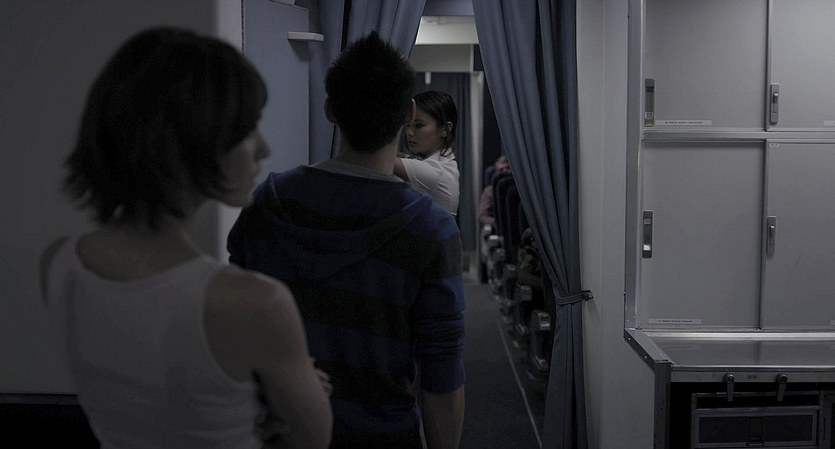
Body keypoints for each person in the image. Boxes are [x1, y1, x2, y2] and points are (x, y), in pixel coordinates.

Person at [39, 26, 332, 449]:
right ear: (196, 138)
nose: (264, 149)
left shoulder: (57, 263)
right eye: (247, 129)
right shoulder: (254, 302)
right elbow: (313, 440)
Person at [228, 32, 466, 449]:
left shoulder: (270, 202)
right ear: (408, 113)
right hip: (385, 436)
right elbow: (440, 375)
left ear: (329, 109)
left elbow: (236, 328)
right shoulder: (431, 229)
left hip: (284, 433)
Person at [394, 90, 460, 215]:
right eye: (408, 125)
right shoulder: (443, 162)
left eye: (419, 125)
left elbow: (380, 159)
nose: (409, 133)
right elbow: (405, 157)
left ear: (445, 129)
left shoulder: (436, 171)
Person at [478, 155, 510, 226]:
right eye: (501, 170)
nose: (505, 172)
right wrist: (498, 222)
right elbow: (483, 216)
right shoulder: (489, 191)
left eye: (507, 168)